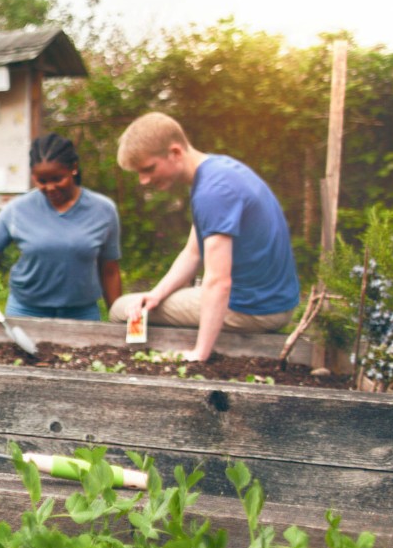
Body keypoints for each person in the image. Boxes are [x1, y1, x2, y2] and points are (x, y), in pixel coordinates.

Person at [108, 112, 299, 361]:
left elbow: (218, 281)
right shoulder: (217, 171)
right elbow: (193, 253)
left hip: (256, 308)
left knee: (121, 308)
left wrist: (200, 353)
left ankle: (156, 356)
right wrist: (155, 294)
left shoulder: (212, 192)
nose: (144, 180)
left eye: (148, 169)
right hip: (273, 301)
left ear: (175, 152)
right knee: (142, 303)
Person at [0, 134, 123, 321]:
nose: (50, 187)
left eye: (57, 179)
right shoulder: (18, 209)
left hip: (81, 313)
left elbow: (110, 269)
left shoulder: (103, 210)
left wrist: (118, 320)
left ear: (73, 168)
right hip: (25, 310)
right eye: (41, 181)